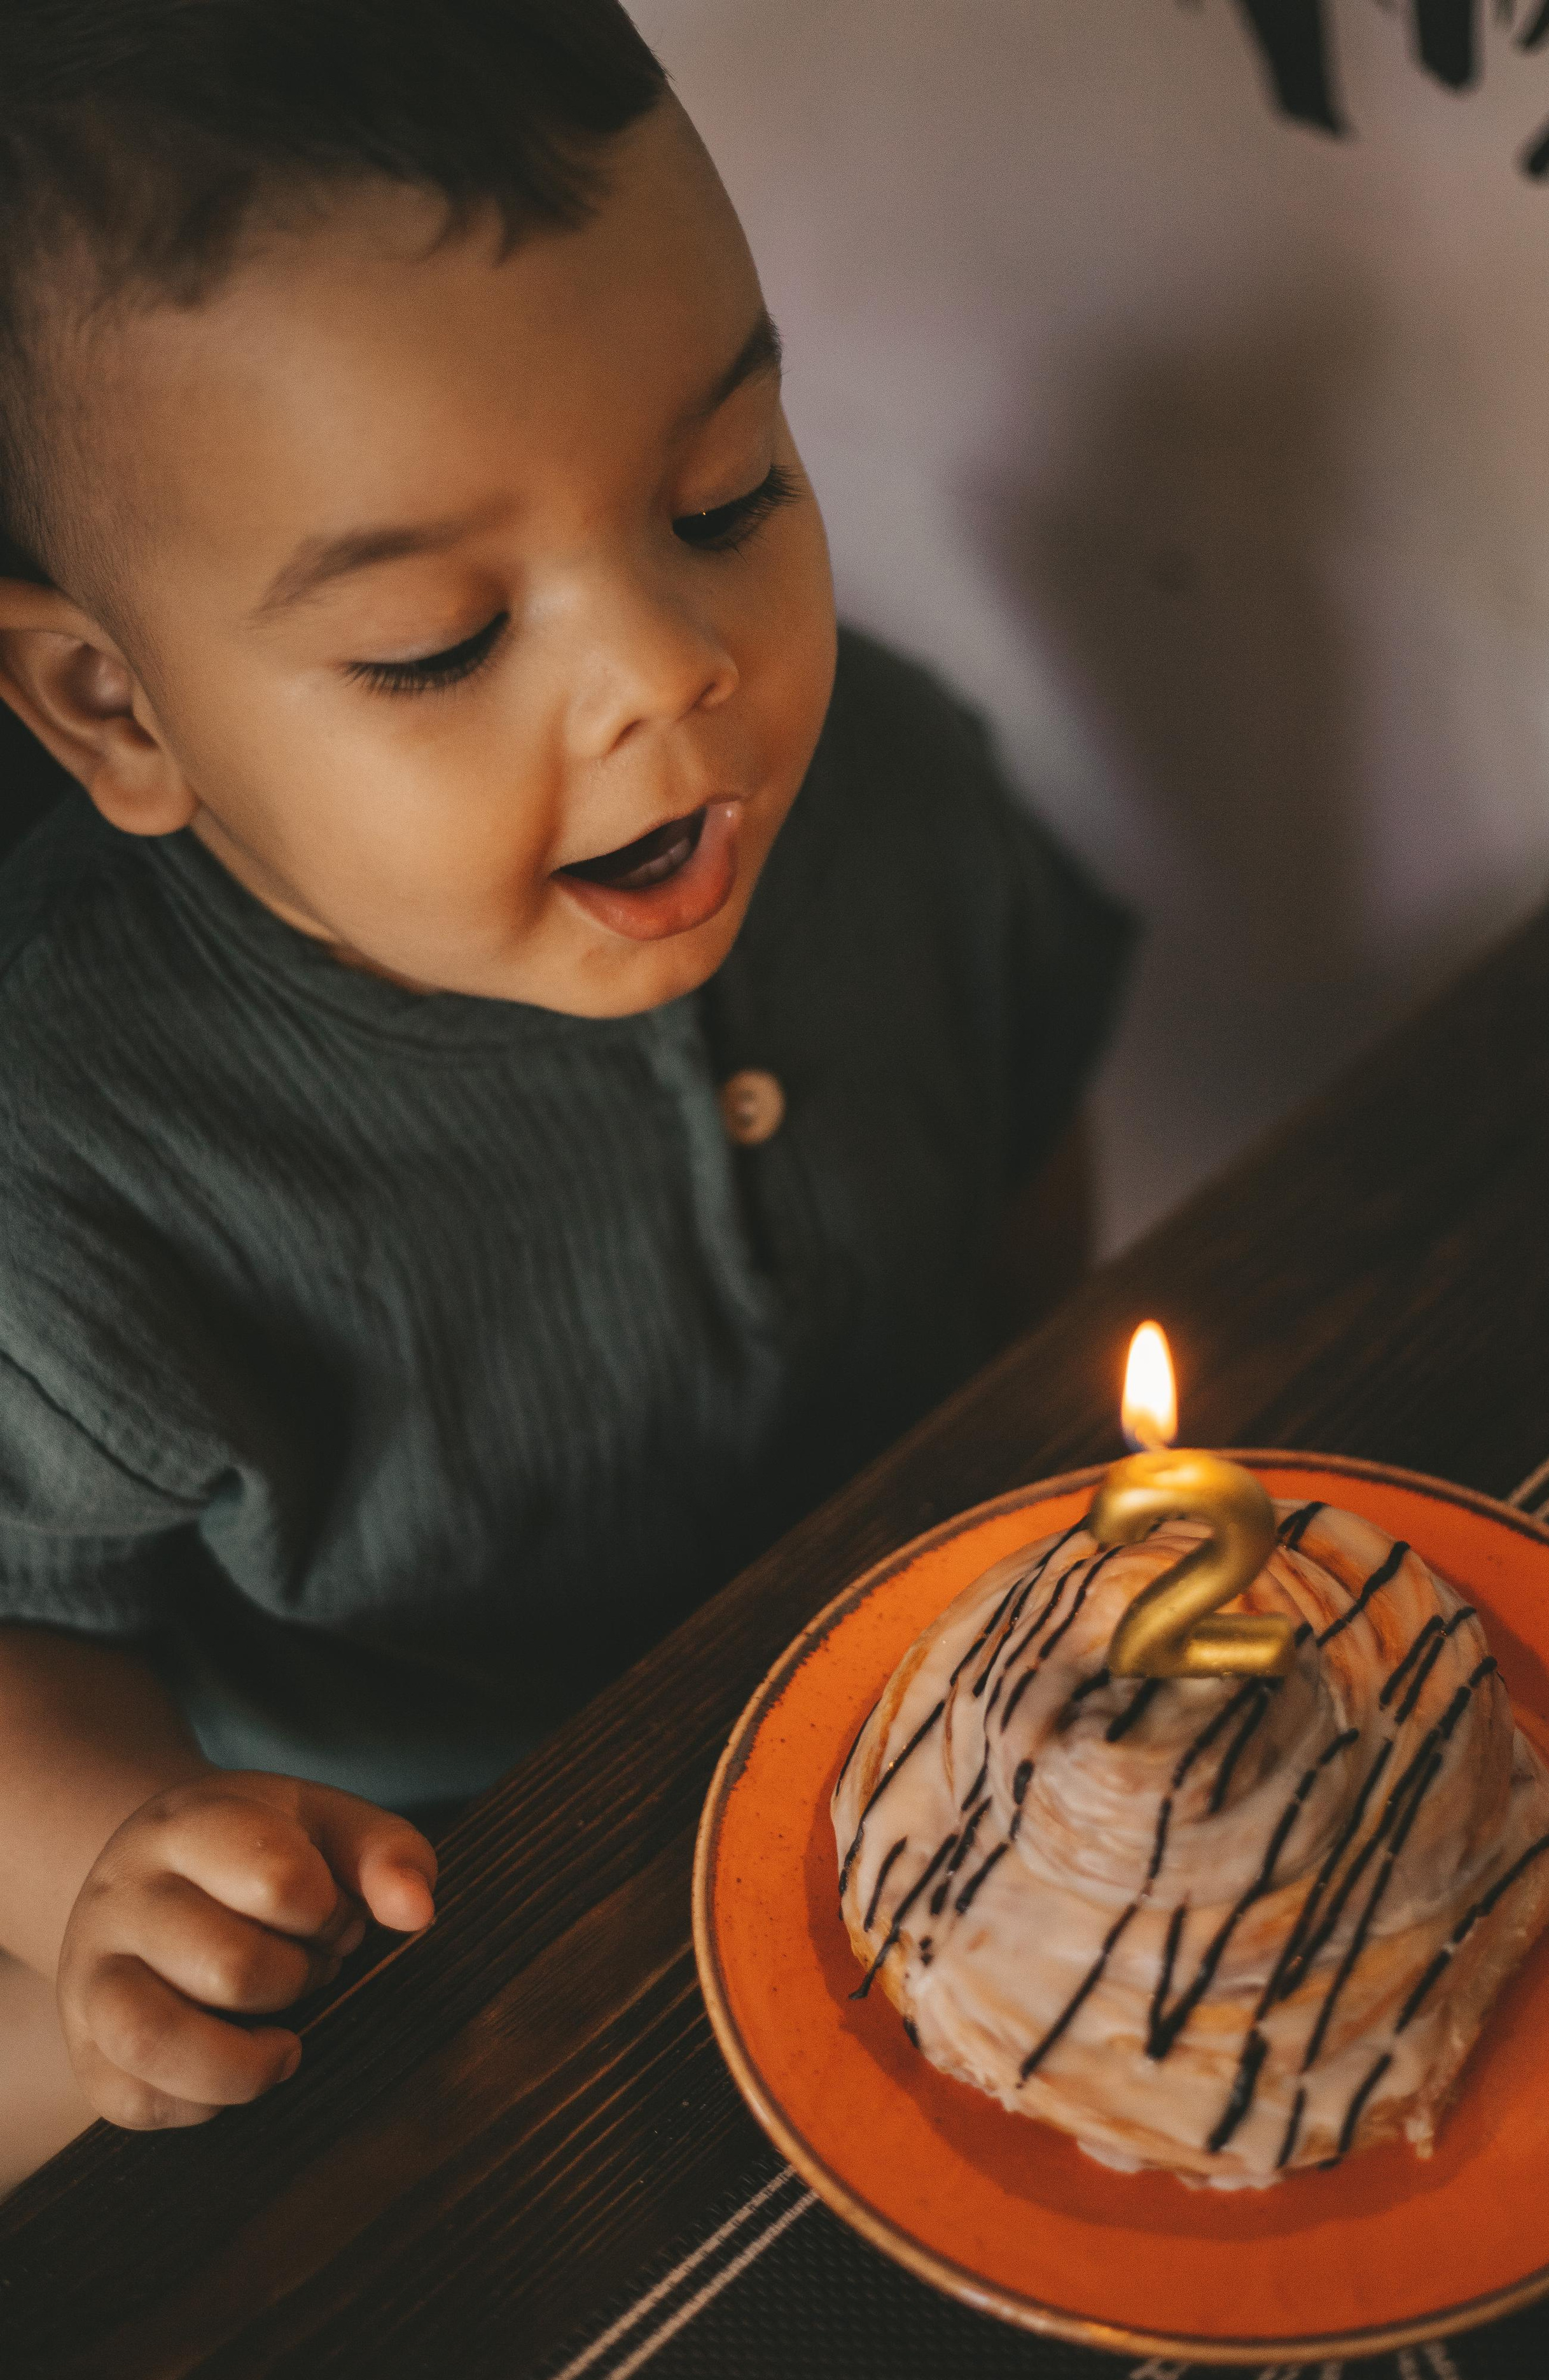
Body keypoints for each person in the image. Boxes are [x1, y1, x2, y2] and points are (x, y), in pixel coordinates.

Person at [0, 0, 1133, 2185]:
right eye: (436, 640)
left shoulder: (880, 785)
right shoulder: (71, 1159)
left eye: (726, 497)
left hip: (942, 1767)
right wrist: (119, 1870)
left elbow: (1019, 1124)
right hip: (447, 1931)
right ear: (110, 705)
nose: (672, 673)